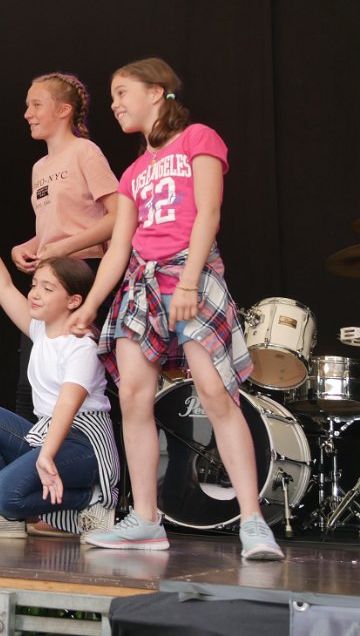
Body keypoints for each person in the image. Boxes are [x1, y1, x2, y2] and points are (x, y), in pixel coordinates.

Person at [66, 58, 283, 560]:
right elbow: (119, 249)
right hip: (142, 283)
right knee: (133, 397)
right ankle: (145, 519)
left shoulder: (197, 139)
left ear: (156, 91)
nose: (115, 103)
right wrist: (91, 304)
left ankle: (253, 522)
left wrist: (189, 281)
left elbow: (208, 212)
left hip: (190, 272)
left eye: (123, 92)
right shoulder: (133, 172)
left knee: (214, 391)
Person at [0, 192, 119, 538]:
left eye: (47, 288)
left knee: (4, 495)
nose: (35, 294)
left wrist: (46, 456)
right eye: (34, 285)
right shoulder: (40, 330)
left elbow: (67, 407)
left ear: (73, 300)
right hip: (47, 434)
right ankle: (6, 518)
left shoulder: (82, 345)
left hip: (83, 446)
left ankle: (90, 500)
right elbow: (0, 285)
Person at [10, 73, 119, 420]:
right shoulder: (39, 167)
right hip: (49, 276)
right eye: (27, 106)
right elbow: (52, 229)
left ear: (63, 110)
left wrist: (66, 247)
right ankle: (32, 448)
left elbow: (118, 216)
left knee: (83, 375)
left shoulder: (85, 151)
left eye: (36, 105)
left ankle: (92, 447)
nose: (27, 113)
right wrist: (24, 247)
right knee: (32, 375)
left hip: (84, 274)